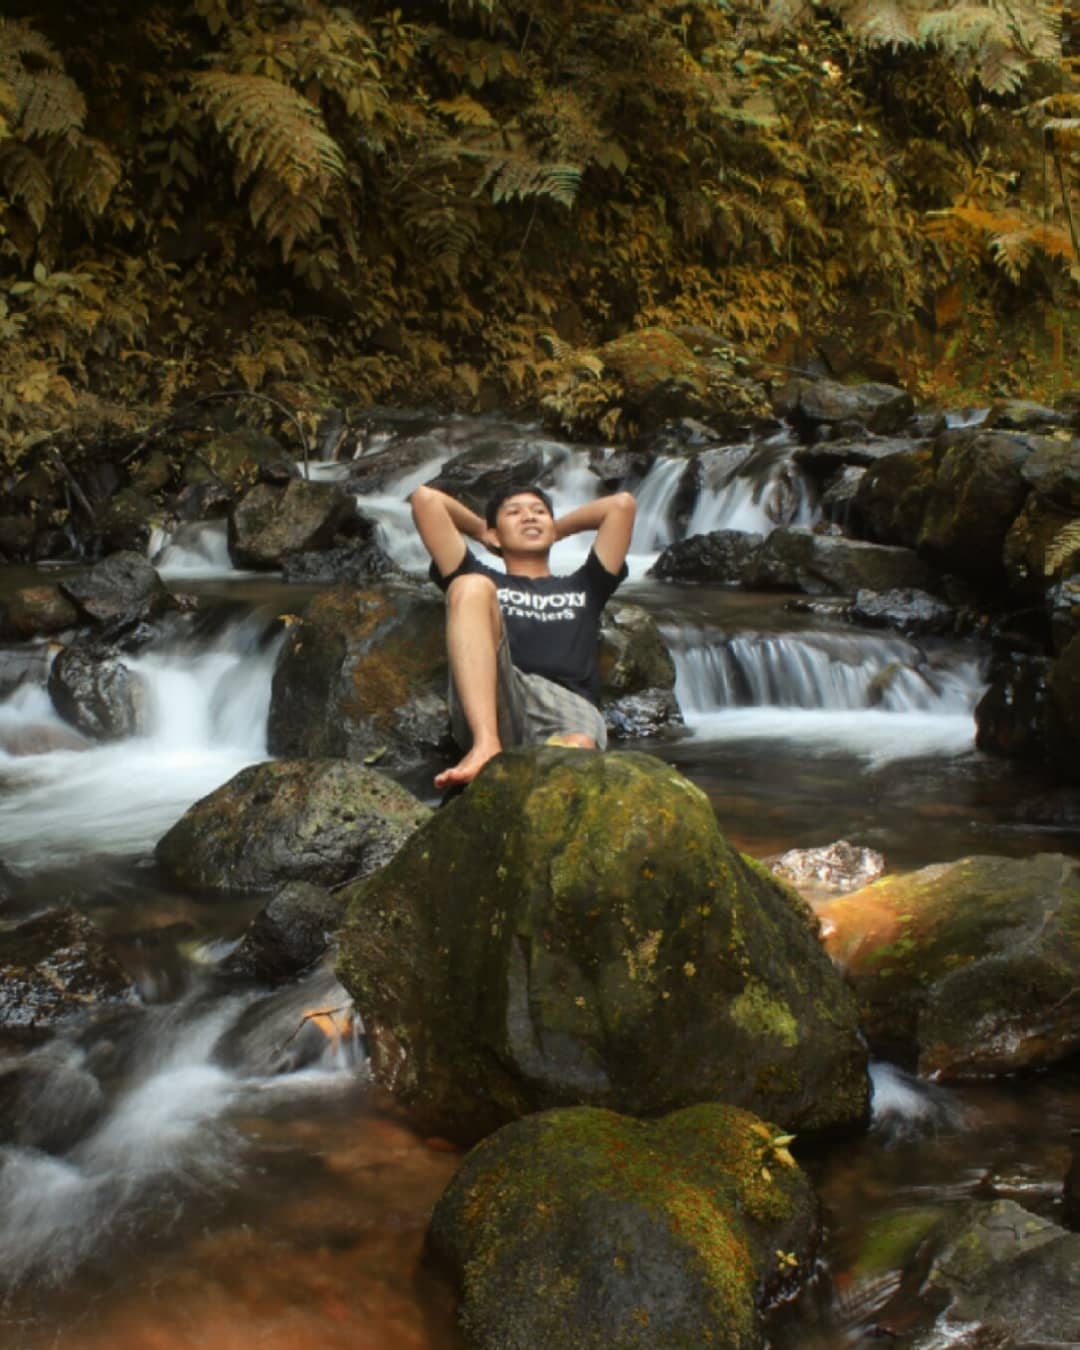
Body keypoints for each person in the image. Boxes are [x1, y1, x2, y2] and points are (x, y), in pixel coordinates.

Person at [409, 480, 636, 790]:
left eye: (539, 512)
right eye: (514, 513)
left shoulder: (586, 585)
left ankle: (537, 765)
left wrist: (555, 529)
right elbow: (425, 499)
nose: (529, 517)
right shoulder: (484, 577)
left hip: (567, 704)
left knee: (574, 754)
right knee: (467, 586)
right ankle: (485, 746)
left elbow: (620, 506)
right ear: (494, 533)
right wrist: (484, 532)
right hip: (499, 698)